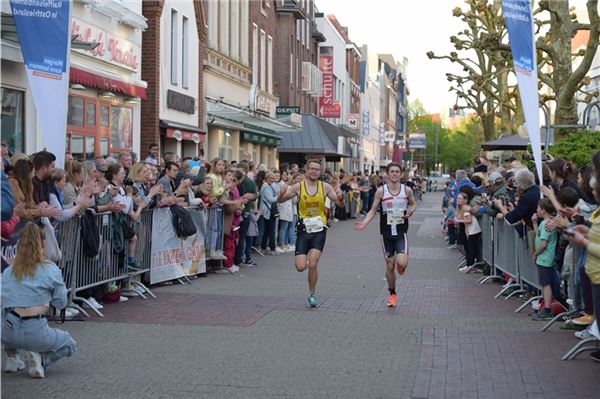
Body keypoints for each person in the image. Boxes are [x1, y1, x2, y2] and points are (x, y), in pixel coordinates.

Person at [2, 223, 77, 378]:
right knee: (69, 343)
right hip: (35, 330)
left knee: (6, 313)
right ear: (42, 243)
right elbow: (61, 302)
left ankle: (11, 357)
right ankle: (42, 360)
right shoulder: (50, 269)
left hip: (8, 331)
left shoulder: (8, 271)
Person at [277, 159, 345, 307]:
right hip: (303, 231)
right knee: (301, 267)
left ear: (319, 172)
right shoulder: (298, 187)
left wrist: (341, 197)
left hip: (319, 230)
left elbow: (340, 204)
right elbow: (281, 201)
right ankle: (305, 267)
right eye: (311, 169)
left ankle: (312, 294)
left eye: (317, 169)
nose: (314, 171)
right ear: (306, 170)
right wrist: (281, 195)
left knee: (313, 264)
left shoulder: (325, 187)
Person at [354, 163, 417, 307]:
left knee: (401, 262)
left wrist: (410, 211)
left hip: (401, 232)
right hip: (386, 233)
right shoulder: (381, 191)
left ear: (401, 174)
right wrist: (364, 222)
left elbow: (413, 204)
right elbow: (373, 210)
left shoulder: (406, 190)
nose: (394, 174)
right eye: (392, 172)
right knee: (390, 265)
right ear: (387, 174)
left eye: (397, 171)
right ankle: (392, 293)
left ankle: (401, 266)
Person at [531, 198, 558, 321]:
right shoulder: (544, 223)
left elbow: (543, 244)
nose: (536, 210)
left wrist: (535, 254)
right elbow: (539, 234)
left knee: (546, 284)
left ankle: (547, 309)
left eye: (538, 208)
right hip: (546, 258)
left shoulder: (547, 224)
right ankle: (546, 307)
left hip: (544, 258)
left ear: (543, 210)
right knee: (546, 283)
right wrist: (535, 223)